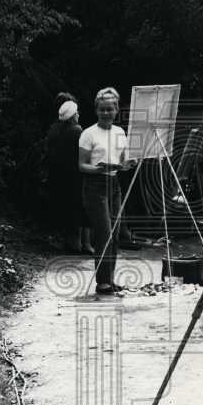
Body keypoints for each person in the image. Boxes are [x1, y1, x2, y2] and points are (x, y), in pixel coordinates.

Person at [79, 87, 137, 295]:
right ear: (96, 110)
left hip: (114, 186)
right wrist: (99, 168)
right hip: (95, 186)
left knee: (115, 234)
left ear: (116, 110)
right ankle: (102, 283)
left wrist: (128, 163)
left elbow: (122, 160)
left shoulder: (120, 132)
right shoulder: (88, 134)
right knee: (104, 234)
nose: (106, 113)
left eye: (110, 109)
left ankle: (110, 279)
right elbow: (81, 165)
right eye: (102, 109)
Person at [46, 92, 93, 255]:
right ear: (72, 115)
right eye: (77, 112)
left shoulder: (54, 129)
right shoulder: (76, 130)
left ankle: (73, 241)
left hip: (59, 175)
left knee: (68, 209)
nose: (79, 114)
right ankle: (81, 243)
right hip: (76, 174)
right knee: (81, 208)